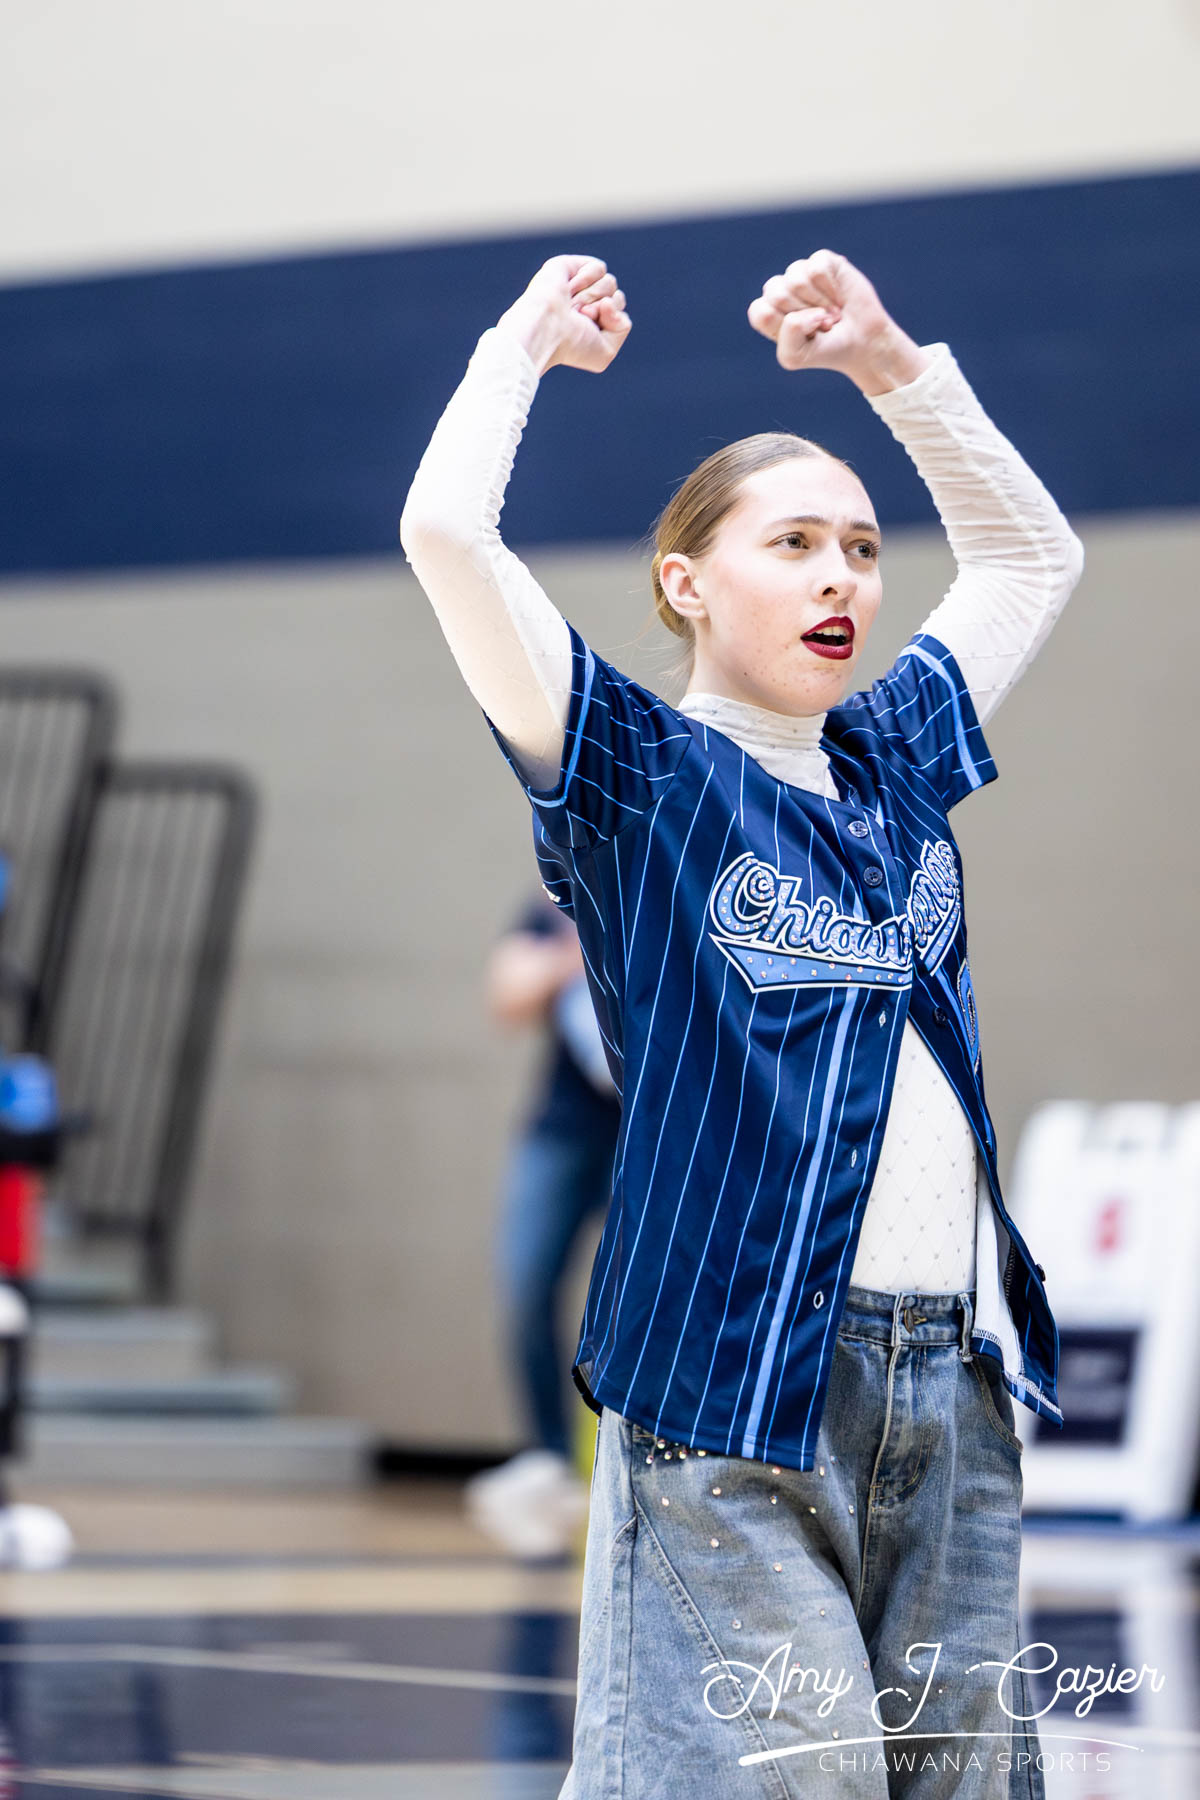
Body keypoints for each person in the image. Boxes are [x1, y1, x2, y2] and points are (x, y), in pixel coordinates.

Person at [400, 248, 1084, 1798]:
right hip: (733, 1378)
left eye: (861, 547)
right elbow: (445, 533)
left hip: (954, 1377)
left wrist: (893, 366)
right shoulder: (637, 772)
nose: (843, 575)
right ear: (686, 583)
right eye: (795, 543)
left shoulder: (895, 757)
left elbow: (1031, 558)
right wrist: (521, 346)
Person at [465, 892, 620, 1559]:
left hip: (646, 1131)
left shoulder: (673, 891)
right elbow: (508, 996)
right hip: (562, 1132)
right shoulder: (554, 909)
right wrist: (578, 953)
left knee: (642, 1296)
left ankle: (628, 1456)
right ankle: (549, 1456)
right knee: (524, 1283)